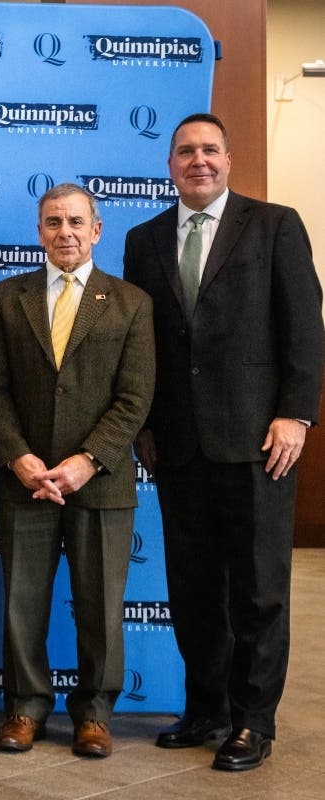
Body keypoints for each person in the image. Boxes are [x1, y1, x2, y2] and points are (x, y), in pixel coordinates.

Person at [124, 113, 323, 771]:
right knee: (192, 589)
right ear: (170, 164)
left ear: (228, 158)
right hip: (176, 446)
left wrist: (295, 414)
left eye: (209, 148)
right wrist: (145, 421)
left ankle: (252, 721)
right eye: (185, 151)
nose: (197, 160)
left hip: (258, 442)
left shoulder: (274, 225)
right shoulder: (142, 239)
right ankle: (205, 708)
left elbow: (303, 327)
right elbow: (142, 345)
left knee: (259, 590)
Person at [0, 183, 154, 759]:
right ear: (39, 231)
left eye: (77, 222)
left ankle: (95, 713)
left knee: (101, 606)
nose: (65, 233)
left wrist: (86, 461)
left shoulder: (131, 302)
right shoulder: (7, 298)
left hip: (100, 482)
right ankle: (26, 708)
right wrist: (19, 458)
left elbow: (135, 399)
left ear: (97, 230)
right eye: (53, 222)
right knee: (21, 602)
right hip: (25, 480)